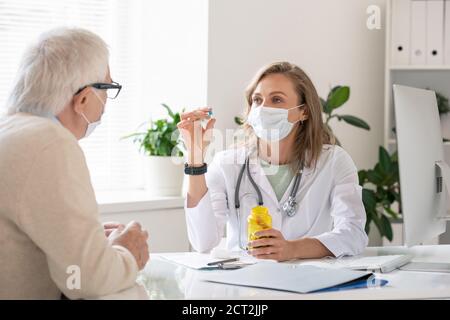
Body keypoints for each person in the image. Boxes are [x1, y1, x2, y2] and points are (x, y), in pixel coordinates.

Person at [0, 27, 149, 299]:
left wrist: (90, 246)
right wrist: (127, 250)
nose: (105, 104)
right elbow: (84, 280)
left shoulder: (11, 131)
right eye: (107, 89)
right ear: (83, 98)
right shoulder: (50, 144)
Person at [178, 61, 368, 262]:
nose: (263, 108)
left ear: (303, 111)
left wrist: (293, 249)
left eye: (276, 99)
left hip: (309, 285)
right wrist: (195, 161)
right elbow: (203, 242)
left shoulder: (334, 161)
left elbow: (353, 234)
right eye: (257, 100)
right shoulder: (227, 164)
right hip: (246, 286)